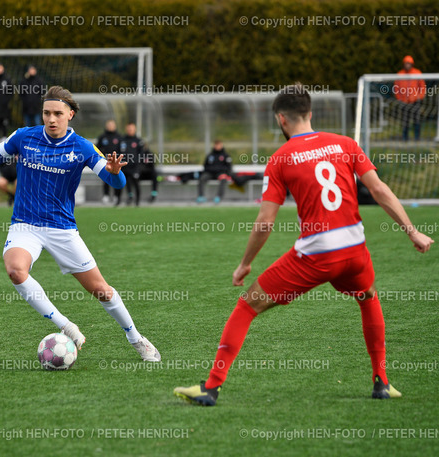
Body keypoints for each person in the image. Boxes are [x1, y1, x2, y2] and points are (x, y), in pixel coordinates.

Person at [174, 84, 434, 406]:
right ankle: (381, 382)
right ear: (310, 114)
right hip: (355, 251)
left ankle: (210, 387)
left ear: (281, 119)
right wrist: (412, 232)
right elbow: (379, 189)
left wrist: (244, 263)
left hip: (316, 255)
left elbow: (265, 222)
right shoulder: (345, 144)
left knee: (247, 306)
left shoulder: (281, 158)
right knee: (368, 298)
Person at [0, 85, 160, 361]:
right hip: (25, 224)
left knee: (101, 290)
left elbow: (114, 179)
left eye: (57, 113)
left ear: (70, 114)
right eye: (46, 113)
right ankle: (66, 325)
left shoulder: (81, 146)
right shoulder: (24, 137)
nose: (51, 119)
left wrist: (116, 174)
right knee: (16, 271)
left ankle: (136, 338)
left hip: (62, 229)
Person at [393, 55, 426, 141]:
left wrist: (420, 97)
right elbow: (396, 88)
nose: (407, 65)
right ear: (403, 64)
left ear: (412, 64)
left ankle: (417, 138)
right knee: (405, 121)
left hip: (415, 101)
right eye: (406, 63)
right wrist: (400, 99)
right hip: (404, 102)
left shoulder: (417, 73)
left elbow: (422, 87)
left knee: (417, 120)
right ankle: (405, 138)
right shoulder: (400, 74)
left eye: (409, 63)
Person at [116, 122, 147, 206]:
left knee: (136, 183)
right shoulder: (122, 140)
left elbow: (142, 154)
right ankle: (118, 201)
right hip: (123, 166)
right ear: (126, 129)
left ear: (135, 129)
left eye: (131, 129)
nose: (130, 130)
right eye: (128, 128)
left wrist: (138, 165)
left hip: (134, 167)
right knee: (120, 183)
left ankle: (137, 201)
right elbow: (118, 152)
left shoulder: (139, 141)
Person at [197, 140, 233, 204]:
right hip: (210, 173)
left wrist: (226, 174)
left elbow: (229, 167)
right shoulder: (210, 155)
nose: (217, 146)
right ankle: (201, 196)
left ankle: (218, 197)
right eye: (216, 145)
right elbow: (205, 166)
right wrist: (209, 170)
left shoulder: (225, 155)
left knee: (223, 179)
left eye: (219, 145)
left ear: (221, 145)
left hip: (220, 173)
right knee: (202, 178)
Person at [96, 119, 121, 204]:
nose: (110, 126)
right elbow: (97, 149)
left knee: (116, 178)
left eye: (112, 125)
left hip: (116, 162)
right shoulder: (102, 137)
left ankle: (116, 196)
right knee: (106, 178)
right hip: (105, 162)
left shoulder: (119, 137)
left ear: (115, 126)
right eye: (109, 124)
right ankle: (106, 195)